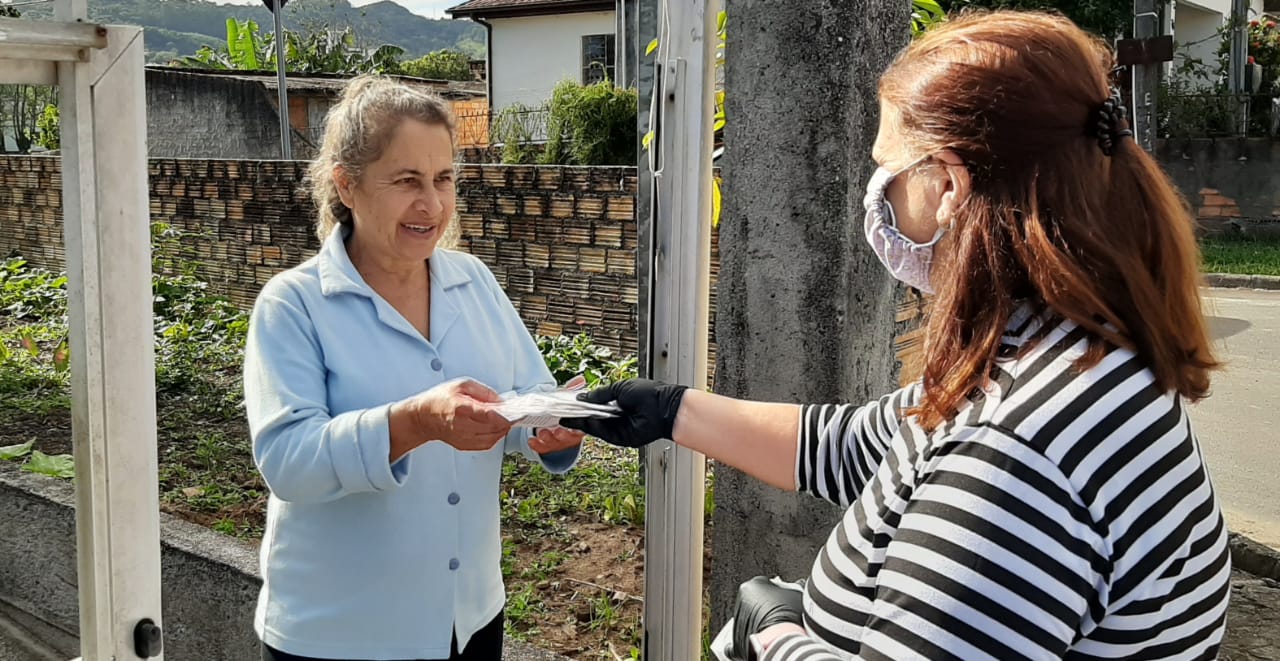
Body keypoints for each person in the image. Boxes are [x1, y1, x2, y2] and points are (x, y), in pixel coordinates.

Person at [562, 11, 1229, 660]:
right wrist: (666, 409)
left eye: (890, 168)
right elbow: (865, 445)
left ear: (948, 183)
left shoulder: (1017, 457)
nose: (877, 195)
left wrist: (776, 636)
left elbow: (975, 485)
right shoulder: (1072, 354)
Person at [242, 75, 585, 661]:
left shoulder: (472, 281)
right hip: (339, 635)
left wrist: (547, 430)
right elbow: (289, 463)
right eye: (407, 181)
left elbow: (527, 394)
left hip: (467, 620)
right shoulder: (293, 303)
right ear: (347, 186)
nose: (431, 204)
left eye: (443, 179)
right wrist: (416, 422)